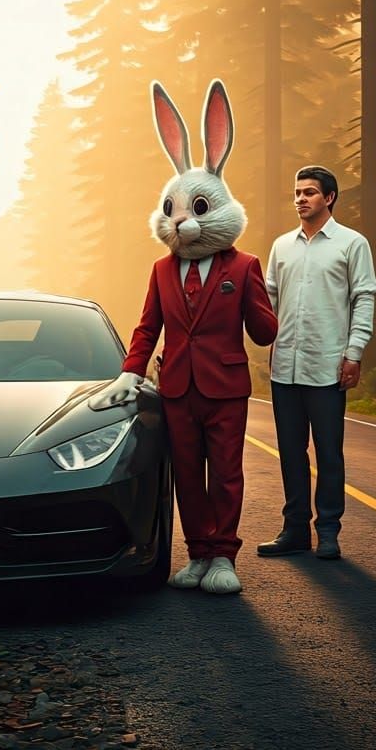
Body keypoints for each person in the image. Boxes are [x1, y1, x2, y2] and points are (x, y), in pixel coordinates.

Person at [90, 79, 278, 594]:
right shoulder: (161, 269)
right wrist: (130, 371)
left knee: (227, 474)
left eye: (195, 209)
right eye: (173, 211)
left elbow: (264, 330)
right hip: (177, 387)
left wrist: (268, 307)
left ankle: (224, 556)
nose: (181, 222)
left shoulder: (244, 266)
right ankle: (197, 553)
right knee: (187, 476)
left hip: (225, 387)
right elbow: (147, 325)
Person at [257, 167, 376, 561]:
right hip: (285, 368)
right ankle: (295, 530)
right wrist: (267, 340)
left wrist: (354, 352)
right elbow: (269, 300)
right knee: (291, 452)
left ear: (329, 197)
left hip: (327, 366)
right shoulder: (281, 246)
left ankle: (328, 531)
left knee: (329, 453)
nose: (300, 199)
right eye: (297, 193)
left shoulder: (352, 243)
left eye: (309, 192)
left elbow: (364, 298)